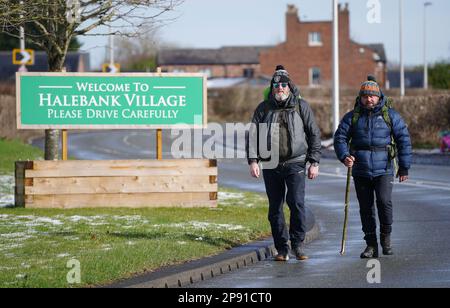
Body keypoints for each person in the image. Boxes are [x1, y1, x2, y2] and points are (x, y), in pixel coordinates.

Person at [247, 65, 321, 261]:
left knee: (296, 203)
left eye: (283, 85)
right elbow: (253, 136)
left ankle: (297, 245)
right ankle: (282, 248)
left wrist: (314, 161)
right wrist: (253, 160)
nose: (280, 88)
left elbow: (314, 134)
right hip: (270, 164)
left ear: (289, 86)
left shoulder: (301, 106)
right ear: (272, 87)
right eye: (276, 85)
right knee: (275, 208)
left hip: (296, 162)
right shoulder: (263, 108)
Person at [334, 75, 412, 258]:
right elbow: (340, 138)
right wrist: (345, 156)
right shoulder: (352, 117)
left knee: (384, 202)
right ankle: (371, 245)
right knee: (366, 208)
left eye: (372, 96)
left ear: (379, 97)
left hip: (384, 168)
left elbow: (404, 140)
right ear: (360, 98)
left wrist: (404, 167)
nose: (369, 99)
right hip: (360, 169)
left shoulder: (390, 115)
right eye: (365, 96)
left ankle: (386, 238)